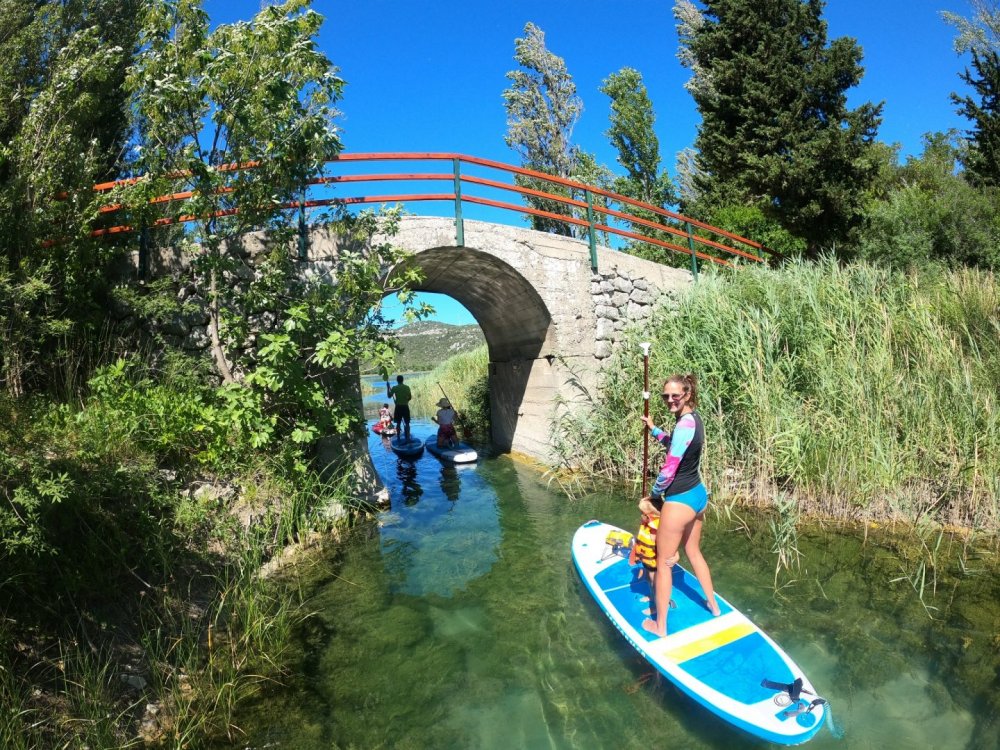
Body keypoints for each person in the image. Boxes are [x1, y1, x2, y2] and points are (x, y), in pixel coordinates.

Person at [639, 373, 720, 637]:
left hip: (680, 500)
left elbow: (670, 466)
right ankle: (714, 606)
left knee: (663, 564)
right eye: (665, 396)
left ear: (687, 394)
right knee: (693, 552)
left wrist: (654, 495)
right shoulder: (694, 419)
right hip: (698, 495)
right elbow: (677, 445)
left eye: (675, 395)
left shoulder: (684, 424)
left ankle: (660, 627)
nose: (670, 400)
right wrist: (654, 430)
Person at [628, 498, 679, 615]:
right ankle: (652, 597)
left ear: (650, 514)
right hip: (647, 560)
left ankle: (658, 606)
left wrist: (676, 555)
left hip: (655, 562)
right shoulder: (647, 522)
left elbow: (670, 542)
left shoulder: (656, 526)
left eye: (642, 513)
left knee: (656, 584)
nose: (641, 515)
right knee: (648, 580)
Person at [386, 375, 412, 440]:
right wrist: (406, 400)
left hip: (398, 407)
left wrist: (387, 387)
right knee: (407, 423)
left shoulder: (395, 388)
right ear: (403, 380)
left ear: (397, 380)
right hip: (405, 406)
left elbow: (389, 396)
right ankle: (408, 437)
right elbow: (410, 397)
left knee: (398, 423)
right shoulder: (407, 387)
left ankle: (398, 437)